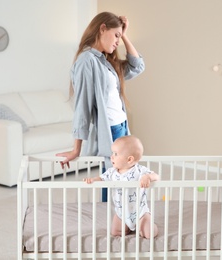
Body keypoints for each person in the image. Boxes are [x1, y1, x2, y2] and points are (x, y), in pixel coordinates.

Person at [56, 12, 145, 201]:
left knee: (124, 178)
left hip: (122, 127)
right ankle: (111, 219)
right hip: (111, 130)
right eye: (116, 36)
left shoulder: (105, 61)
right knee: (113, 178)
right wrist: (76, 149)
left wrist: (124, 34)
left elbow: (137, 66)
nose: (117, 43)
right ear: (102, 28)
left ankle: (124, 217)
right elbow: (82, 107)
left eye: (119, 38)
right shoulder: (86, 61)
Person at [83, 135, 159, 239]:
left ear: (129, 159)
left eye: (116, 154)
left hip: (140, 211)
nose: (112, 157)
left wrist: (148, 177)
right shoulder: (112, 172)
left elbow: (156, 176)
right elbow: (101, 178)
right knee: (115, 232)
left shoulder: (139, 171)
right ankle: (127, 227)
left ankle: (151, 225)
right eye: (112, 153)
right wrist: (92, 180)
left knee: (149, 234)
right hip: (121, 212)